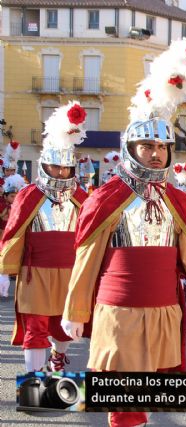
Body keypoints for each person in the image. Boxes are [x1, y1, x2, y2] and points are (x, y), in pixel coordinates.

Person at [61, 37, 186, 427]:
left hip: (164, 312)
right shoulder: (107, 197)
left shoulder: (177, 200)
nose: (155, 153)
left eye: (162, 146)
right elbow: (87, 258)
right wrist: (75, 310)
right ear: (130, 148)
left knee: (147, 395)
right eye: (146, 145)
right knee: (125, 401)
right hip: (119, 311)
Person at [0, 101, 88, 372]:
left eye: (65, 168)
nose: (61, 173)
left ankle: (58, 358)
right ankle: (33, 381)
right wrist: (4, 270)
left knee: (66, 325)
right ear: (44, 166)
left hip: (70, 271)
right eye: (55, 167)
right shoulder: (29, 195)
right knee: (35, 326)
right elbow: (13, 232)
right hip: (34, 272)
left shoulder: (81, 196)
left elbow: (93, 232)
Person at [0, 175, 27, 299]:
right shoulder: (2, 206)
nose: (14, 198)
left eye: (16, 196)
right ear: (5, 196)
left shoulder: (18, 206)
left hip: (10, 238)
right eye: (11, 196)